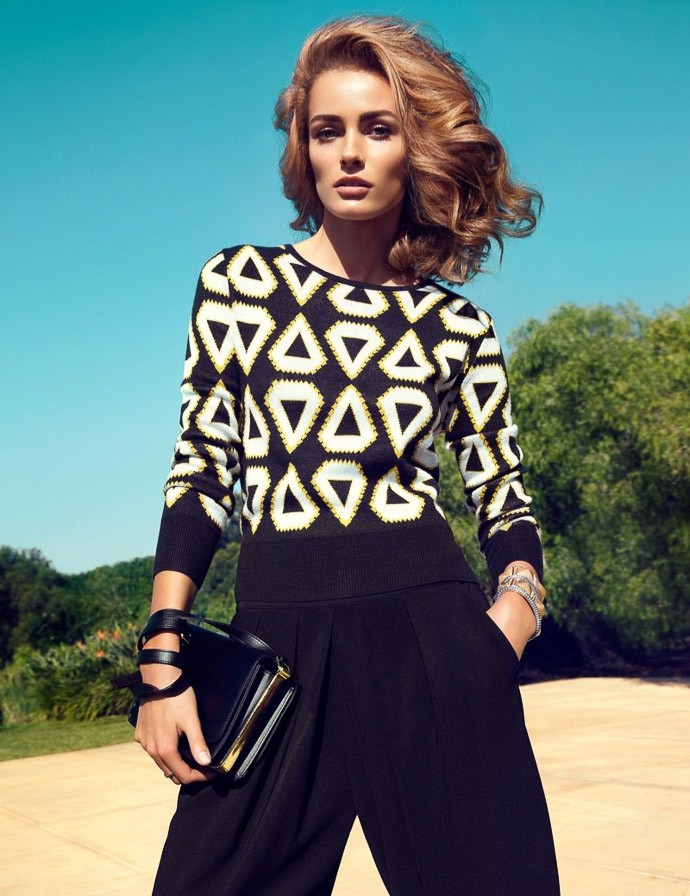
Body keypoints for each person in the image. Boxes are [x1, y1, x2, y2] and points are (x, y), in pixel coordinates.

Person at [135, 14, 560, 896]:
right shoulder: (239, 284)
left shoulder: (459, 328)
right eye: (328, 130)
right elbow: (201, 469)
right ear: (304, 150)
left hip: (434, 644)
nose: (351, 153)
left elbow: (504, 497)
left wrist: (508, 624)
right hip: (277, 642)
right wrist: (163, 654)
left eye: (378, 128)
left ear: (416, 147)